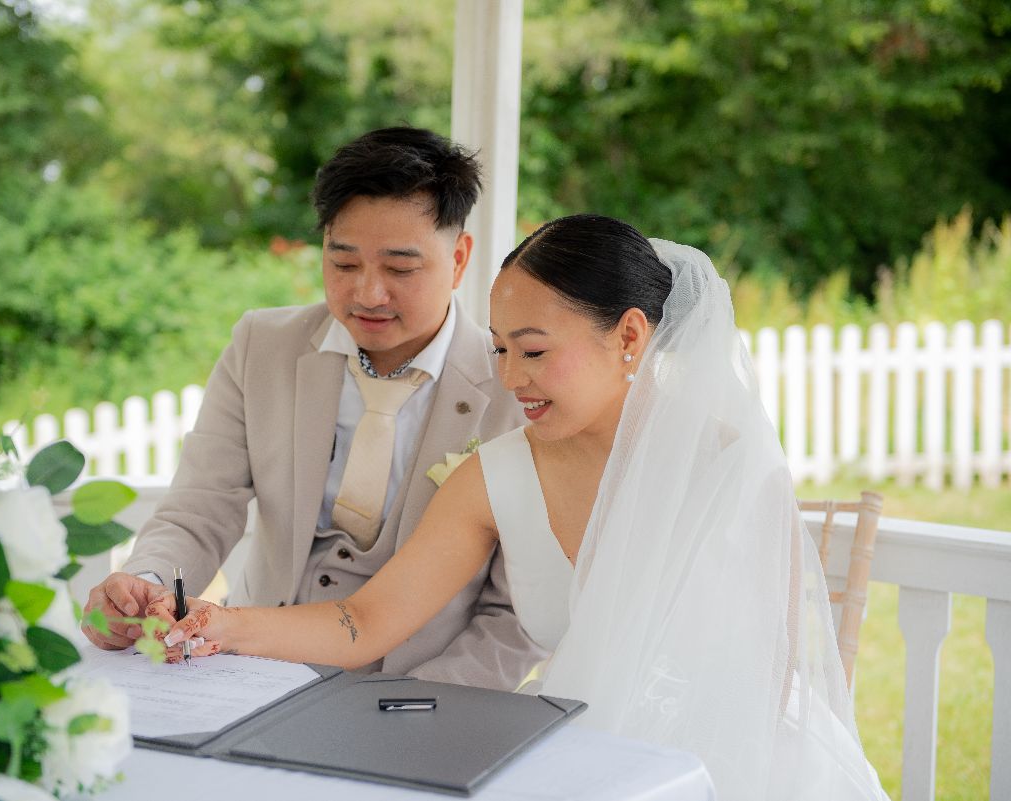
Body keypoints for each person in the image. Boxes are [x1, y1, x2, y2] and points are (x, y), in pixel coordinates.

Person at [151, 214, 890, 800]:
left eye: (533, 351)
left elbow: (771, 677)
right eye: (500, 350)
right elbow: (365, 621)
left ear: (630, 336)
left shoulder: (731, 468)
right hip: (567, 754)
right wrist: (224, 624)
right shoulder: (494, 475)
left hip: (729, 767)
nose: (509, 379)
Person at [80, 127, 546, 690]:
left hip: (422, 688)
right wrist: (144, 582)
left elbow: (514, 612)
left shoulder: (518, 387)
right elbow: (200, 509)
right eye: (343, 263)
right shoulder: (261, 346)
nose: (368, 294)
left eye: (400, 269)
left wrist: (416, 703)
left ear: (460, 258)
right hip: (248, 672)